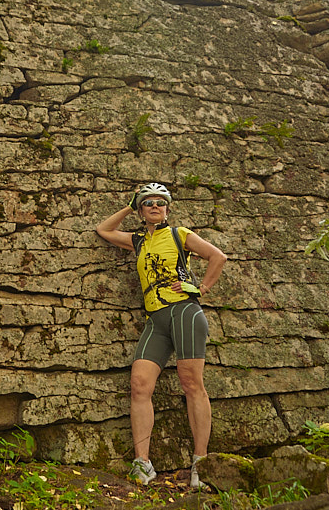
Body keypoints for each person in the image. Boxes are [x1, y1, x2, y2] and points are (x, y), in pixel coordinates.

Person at [96, 182, 227, 488]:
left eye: (160, 202)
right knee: (139, 385)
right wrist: (129, 204)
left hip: (184, 312)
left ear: (168, 209)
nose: (155, 207)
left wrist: (201, 288)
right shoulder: (138, 240)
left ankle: (200, 463)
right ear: (141, 210)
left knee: (191, 383)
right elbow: (104, 229)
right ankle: (143, 464)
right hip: (156, 319)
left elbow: (218, 257)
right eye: (148, 203)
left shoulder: (179, 234)